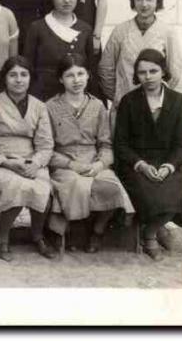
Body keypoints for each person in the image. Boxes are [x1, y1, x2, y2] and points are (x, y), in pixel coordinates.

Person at [45, 54, 134, 252]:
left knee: (112, 188)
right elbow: (45, 148)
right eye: (69, 75)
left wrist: (100, 164)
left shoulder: (97, 106)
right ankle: (68, 231)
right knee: (75, 185)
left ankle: (98, 230)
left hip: (93, 161)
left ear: (88, 76)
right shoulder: (49, 107)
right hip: (64, 164)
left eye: (80, 74)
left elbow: (105, 143)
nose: (76, 80)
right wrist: (71, 165)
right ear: (61, 79)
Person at [113, 49, 182, 261]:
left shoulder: (178, 101)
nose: (148, 77)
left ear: (163, 71)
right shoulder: (129, 101)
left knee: (181, 191)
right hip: (135, 163)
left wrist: (168, 166)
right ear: (136, 75)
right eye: (142, 72)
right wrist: (141, 165)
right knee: (148, 191)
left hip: (168, 162)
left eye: (153, 71)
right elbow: (120, 145)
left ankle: (151, 230)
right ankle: (154, 233)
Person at [0, 56, 57, 261]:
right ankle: (1, 237)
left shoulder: (39, 107)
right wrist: (7, 162)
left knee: (42, 186)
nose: (18, 80)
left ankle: (37, 236)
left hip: (31, 160)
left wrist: (36, 164)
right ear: (5, 78)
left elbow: (46, 145)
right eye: (13, 75)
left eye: (24, 74)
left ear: (30, 78)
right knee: (17, 185)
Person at [98, 0, 182, 109]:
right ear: (133, 1)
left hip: (154, 107)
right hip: (124, 106)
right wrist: (119, 96)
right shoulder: (120, 31)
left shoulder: (167, 32)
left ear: (158, 1)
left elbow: (174, 71)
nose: (144, 4)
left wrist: (157, 95)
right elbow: (106, 69)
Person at [24, 0, 95, 102]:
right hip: (43, 97)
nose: (67, 0)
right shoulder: (37, 28)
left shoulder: (85, 29)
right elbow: (28, 68)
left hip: (76, 99)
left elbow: (91, 69)